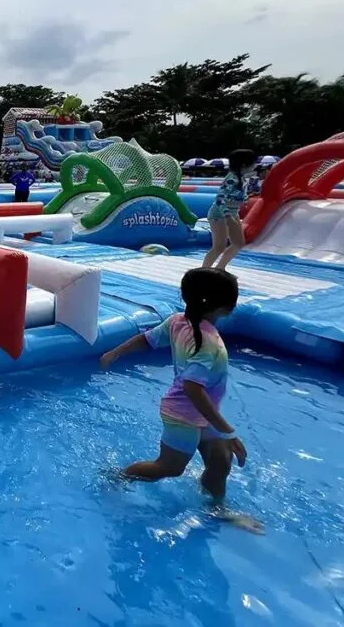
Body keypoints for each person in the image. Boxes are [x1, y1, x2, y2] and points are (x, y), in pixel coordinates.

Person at [100, 268, 250, 506]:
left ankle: (217, 509)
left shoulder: (179, 321)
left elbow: (147, 339)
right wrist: (228, 430)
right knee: (169, 468)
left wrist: (115, 353)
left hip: (202, 412)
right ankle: (118, 476)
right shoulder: (205, 342)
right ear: (225, 307)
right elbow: (192, 388)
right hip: (183, 415)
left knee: (221, 461)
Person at [202, 149, 257, 270]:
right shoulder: (232, 179)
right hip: (220, 214)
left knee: (238, 243)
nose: (255, 165)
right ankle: (203, 271)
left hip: (232, 213)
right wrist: (228, 216)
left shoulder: (241, 178)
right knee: (219, 247)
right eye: (253, 163)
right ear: (244, 165)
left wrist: (246, 198)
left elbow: (237, 196)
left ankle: (220, 269)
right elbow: (220, 199)